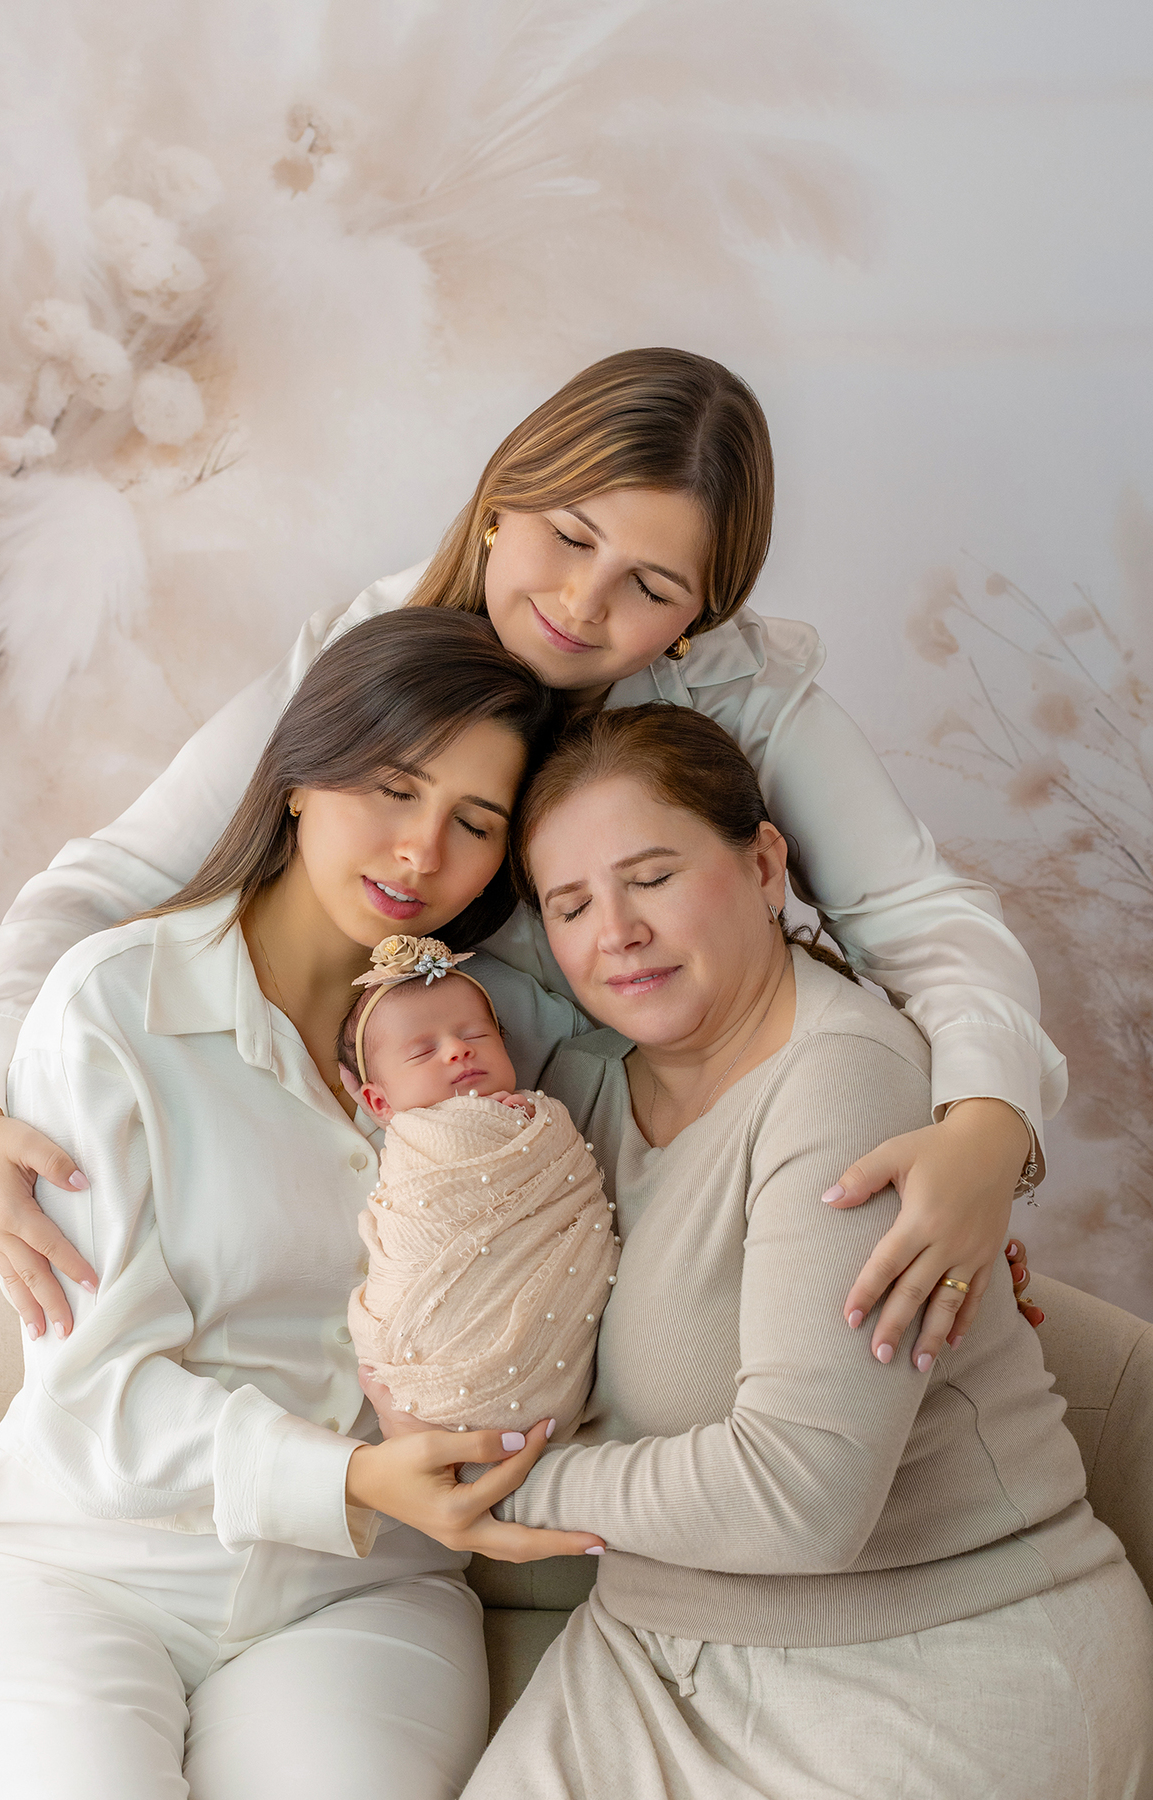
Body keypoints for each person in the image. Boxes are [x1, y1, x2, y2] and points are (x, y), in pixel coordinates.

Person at [0, 346, 1050, 1372]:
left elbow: (921, 921)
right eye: (570, 538)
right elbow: (100, 891)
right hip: (378, 1151)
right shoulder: (372, 657)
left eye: (651, 587)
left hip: (629, 1155)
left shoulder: (740, 694)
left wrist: (983, 1131)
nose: (584, 603)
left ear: (694, 622)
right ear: (497, 504)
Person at [0, 611, 608, 1800]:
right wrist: (351, 1481)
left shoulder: (509, 1046)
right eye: (392, 788)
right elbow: (97, 1397)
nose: (421, 853)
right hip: (79, 1564)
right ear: (301, 776)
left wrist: (959, 1175)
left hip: (363, 1594)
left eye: (474, 823)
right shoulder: (117, 1003)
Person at [441, 703, 1151, 1800]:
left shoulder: (843, 1074)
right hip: (646, 1659)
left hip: (927, 1661)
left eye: (654, 877)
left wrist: (503, 1489)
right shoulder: (575, 1095)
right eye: (572, 904)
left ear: (765, 864)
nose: (614, 929)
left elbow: (801, 1498)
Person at [340, 931, 618, 1436]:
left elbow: (569, 1188)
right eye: (423, 1052)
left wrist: (533, 1125)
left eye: (476, 1036)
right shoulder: (416, 1143)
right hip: (427, 1347)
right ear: (380, 1104)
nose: (457, 1052)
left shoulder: (541, 1119)